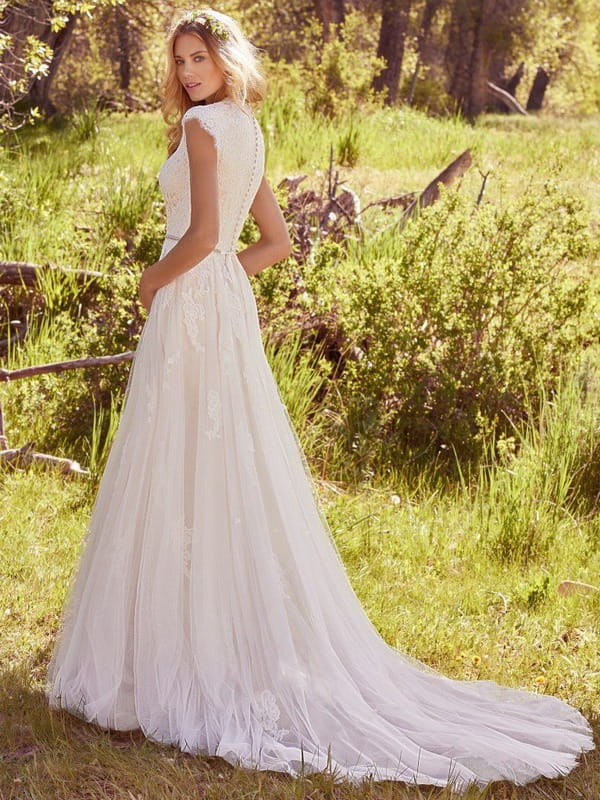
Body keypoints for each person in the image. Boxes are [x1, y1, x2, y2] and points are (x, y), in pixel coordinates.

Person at [46, 8, 594, 793]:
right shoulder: (246, 128)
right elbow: (274, 243)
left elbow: (202, 234)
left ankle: (177, 654)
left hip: (191, 304)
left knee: (179, 460)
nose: (189, 71)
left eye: (199, 57)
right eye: (181, 60)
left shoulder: (204, 128)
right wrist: (222, 283)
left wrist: (154, 280)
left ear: (224, 59)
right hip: (222, 309)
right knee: (214, 462)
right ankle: (202, 636)